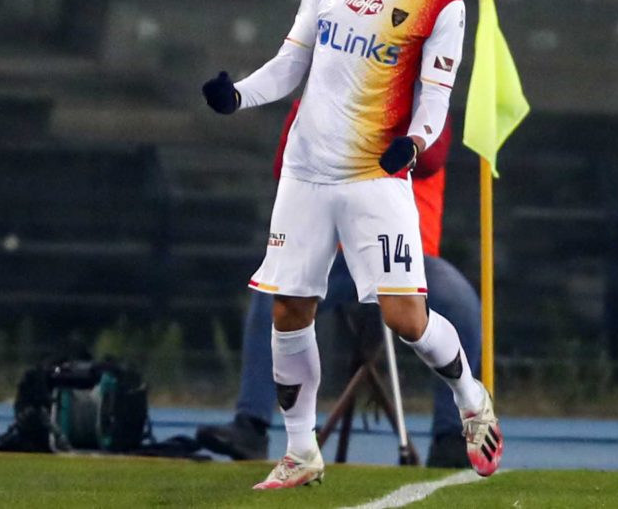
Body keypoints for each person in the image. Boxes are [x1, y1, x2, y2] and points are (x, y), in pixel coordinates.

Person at [200, 0, 503, 490]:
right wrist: (239, 96)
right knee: (288, 308)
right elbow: (291, 63)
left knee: (406, 319)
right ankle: (299, 449)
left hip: (373, 179)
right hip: (305, 174)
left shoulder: (441, 2)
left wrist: (412, 143)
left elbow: (436, 98)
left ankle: (470, 396)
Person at [196, 100, 481, 469]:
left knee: (460, 302)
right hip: (337, 252)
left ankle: (451, 438)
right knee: (274, 294)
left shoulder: (425, 101)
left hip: (408, 257)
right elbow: (284, 165)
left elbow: (430, 158)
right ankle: (251, 425)